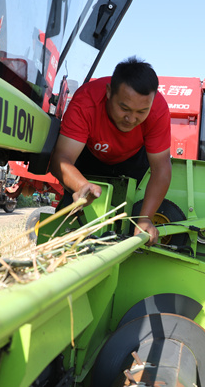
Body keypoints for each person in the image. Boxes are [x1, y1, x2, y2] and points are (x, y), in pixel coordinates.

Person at [49, 57, 171, 246]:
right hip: (88, 156)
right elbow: (61, 159)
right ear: (108, 93)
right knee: (70, 218)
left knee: (128, 225)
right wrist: (81, 186)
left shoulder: (158, 110)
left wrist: (146, 218)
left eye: (141, 112)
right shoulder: (86, 101)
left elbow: (161, 169)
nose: (131, 119)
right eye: (124, 108)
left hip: (133, 160)